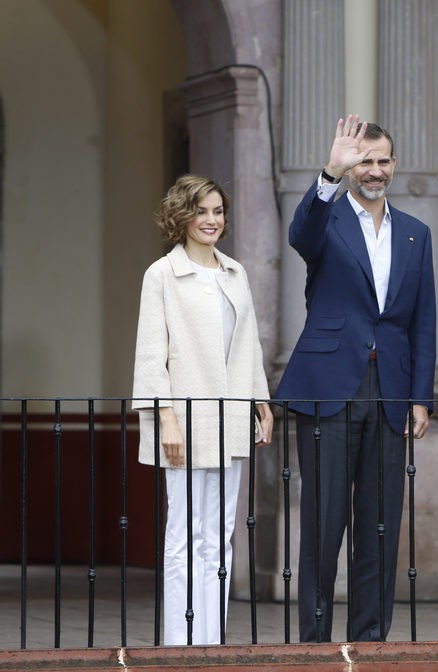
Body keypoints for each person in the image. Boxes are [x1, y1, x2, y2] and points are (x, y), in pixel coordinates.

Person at [276, 114, 436, 642]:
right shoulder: (327, 219)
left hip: (391, 390)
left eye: (382, 160)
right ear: (350, 167)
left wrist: (420, 397)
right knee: (323, 523)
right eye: (364, 161)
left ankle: (369, 642)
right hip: (328, 386)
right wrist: (328, 172)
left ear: (394, 164)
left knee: (381, 525)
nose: (374, 170)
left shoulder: (415, 233)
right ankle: (316, 646)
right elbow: (300, 234)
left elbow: (422, 319)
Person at [132, 175, 274, 645]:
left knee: (221, 535)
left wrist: (260, 401)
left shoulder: (236, 272)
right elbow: (152, 354)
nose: (212, 220)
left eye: (217, 211)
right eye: (202, 211)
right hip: (184, 423)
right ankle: (179, 642)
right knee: (184, 535)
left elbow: (249, 346)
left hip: (230, 418)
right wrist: (165, 416)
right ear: (182, 216)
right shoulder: (162, 275)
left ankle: (211, 640)